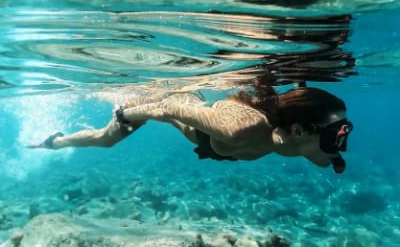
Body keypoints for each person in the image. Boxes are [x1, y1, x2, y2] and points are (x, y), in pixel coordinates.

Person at [29, 85, 353, 174]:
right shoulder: (242, 129)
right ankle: (54, 142)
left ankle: (53, 140)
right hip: (166, 100)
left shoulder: (291, 142)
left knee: (106, 141)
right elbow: (169, 109)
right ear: (299, 131)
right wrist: (127, 112)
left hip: (188, 117)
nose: (343, 143)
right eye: (337, 134)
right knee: (106, 140)